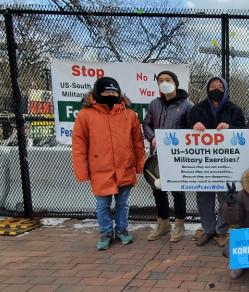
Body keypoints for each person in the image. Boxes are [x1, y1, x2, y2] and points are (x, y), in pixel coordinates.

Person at [71, 76, 146, 251]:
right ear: (97, 92)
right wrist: (82, 171)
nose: (110, 94)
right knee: (102, 205)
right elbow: (79, 145)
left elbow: (138, 142)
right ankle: (105, 232)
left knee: (123, 204)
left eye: (114, 91)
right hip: (100, 170)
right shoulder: (85, 115)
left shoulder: (130, 114)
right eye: (106, 91)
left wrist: (140, 164)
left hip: (125, 168)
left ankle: (122, 229)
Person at [188, 76, 246, 247]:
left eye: (220, 86)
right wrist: (193, 127)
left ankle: (222, 230)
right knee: (203, 197)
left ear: (226, 89)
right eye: (212, 85)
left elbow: (243, 131)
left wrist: (231, 128)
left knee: (224, 198)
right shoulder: (197, 109)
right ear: (207, 89)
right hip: (202, 163)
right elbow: (185, 131)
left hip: (225, 164)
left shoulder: (234, 109)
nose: (216, 88)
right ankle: (208, 230)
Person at [143, 71, 194, 242]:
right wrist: (152, 137)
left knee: (177, 191)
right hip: (156, 155)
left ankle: (179, 224)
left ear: (176, 82)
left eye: (168, 80)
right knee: (158, 189)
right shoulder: (154, 104)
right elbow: (146, 124)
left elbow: (191, 131)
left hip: (177, 157)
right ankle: (163, 223)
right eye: (160, 80)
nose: (164, 83)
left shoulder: (187, 106)